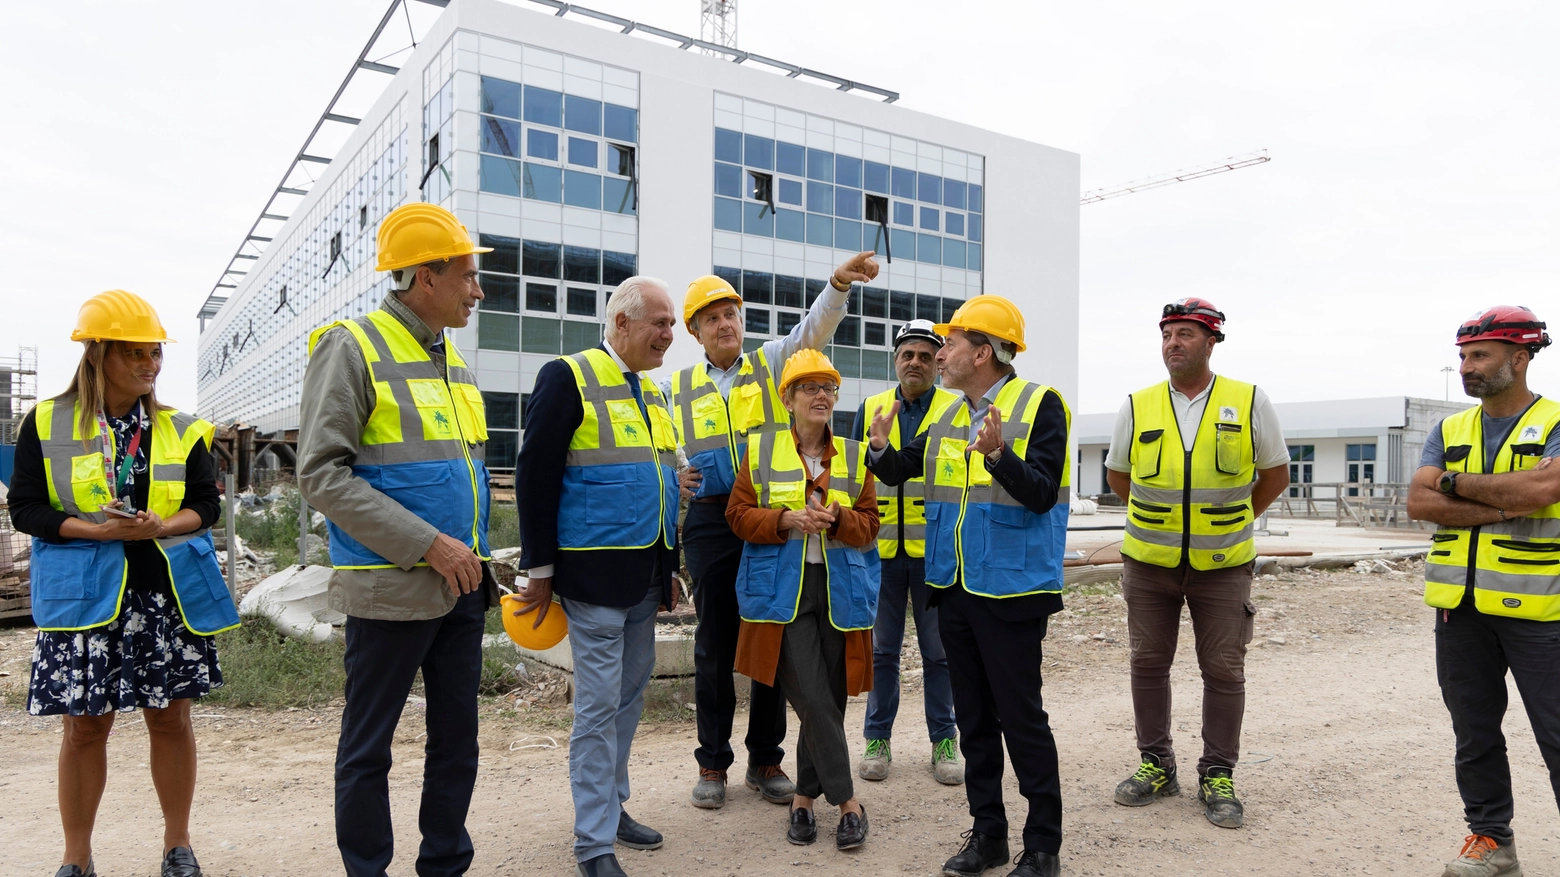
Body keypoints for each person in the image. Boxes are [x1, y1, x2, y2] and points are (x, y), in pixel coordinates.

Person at [297, 202, 497, 877]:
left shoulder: (455, 362)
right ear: (423, 277)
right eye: (468, 276)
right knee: (368, 747)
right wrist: (428, 544)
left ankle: (444, 862)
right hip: (390, 589)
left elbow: (457, 475)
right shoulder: (352, 346)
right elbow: (322, 474)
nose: (478, 290)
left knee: (457, 742)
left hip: (462, 588)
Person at [14, 290, 239, 877]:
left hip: (164, 597)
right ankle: (77, 858)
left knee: (171, 719)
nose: (149, 364)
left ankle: (177, 846)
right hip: (86, 599)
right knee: (84, 730)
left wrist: (160, 527)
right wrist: (96, 531)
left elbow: (204, 506)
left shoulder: (182, 428)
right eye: (135, 353)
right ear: (97, 355)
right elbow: (27, 511)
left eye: (156, 353)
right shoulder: (44, 422)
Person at [865, 295, 1072, 877]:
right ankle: (989, 835)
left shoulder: (1040, 404)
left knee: (1021, 718)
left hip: (1010, 590)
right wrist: (879, 448)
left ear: (982, 352)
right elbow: (903, 471)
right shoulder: (949, 416)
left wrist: (999, 455)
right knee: (975, 722)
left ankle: (1043, 846)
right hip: (953, 588)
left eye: (950, 344)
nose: (941, 354)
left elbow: (1040, 493)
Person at [666, 251, 880, 809]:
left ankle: (766, 758)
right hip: (716, 519)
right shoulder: (677, 388)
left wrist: (837, 284)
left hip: (779, 517)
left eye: (731, 312)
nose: (726, 323)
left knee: (772, 630)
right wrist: (674, 475)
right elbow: (663, 449)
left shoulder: (770, 363)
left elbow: (816, 327)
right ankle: (712, 763)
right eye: (712, 318)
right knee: (715, 642)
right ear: (695, 331)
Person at [514, 277, 682, 877]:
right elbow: (534, 476)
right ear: (620, 325)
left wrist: (671, 567)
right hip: (592, 577)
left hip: (643, 575)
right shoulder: (569, 376)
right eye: (659, 323)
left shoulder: (651, 393)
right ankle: (593, 844)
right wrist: (539, 570)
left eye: (670, 324)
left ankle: (612, 810)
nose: (669, 334)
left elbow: (660, 479)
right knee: (598, 706)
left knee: (629, 699)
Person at [1101, 298, 1289, 830]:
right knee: (1147, 664)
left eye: (1185, 334)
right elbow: (1119, 476)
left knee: (1224, 670)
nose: (1173, 343)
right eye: (1167, 334)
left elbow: (1274, 473)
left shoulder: (1248, 400)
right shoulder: (1137, 405)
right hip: (1149, 563)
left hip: (1224, 566)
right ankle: (1156, 764)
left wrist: (1230, 523)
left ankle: (1218, 773)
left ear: (1212, 342)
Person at [1406, 305, 1560, 877]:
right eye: (1463, 357)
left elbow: (1546, 488)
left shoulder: (1557, 422)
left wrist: (1453, 483)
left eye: (1480, 356)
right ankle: (1492, 843)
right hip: (1460, 609)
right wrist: (1504, 498)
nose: (1467, 367)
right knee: (1474, 735)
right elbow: (1419, 502)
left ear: (1519, 359)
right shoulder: (1449, 429)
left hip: (1543, 608)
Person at [727, 349, 881, 851]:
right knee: (813, 697)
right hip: (782, 595)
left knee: (829, 702)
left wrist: (838, 519)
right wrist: (784, 520)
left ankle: (802, 801)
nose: (821, 396)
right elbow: (737, 516)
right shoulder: (762, 448)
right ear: (788, 399)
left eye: (828, 388)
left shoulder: (855, 455)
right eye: (809, 387)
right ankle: (848, 802)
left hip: (840, 593)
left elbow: (870, 528)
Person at [848, 319, 962, 785]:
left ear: (939, 362)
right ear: (895, 360)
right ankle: (877, 738)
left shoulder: (958, 409)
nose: (914, 362)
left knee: (939, 653)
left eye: (924, 355)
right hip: (882, 553)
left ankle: (944, 739)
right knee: (882, 652)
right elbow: (854, 475)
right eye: (906, 354)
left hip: (935, 551)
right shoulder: (872, 408)